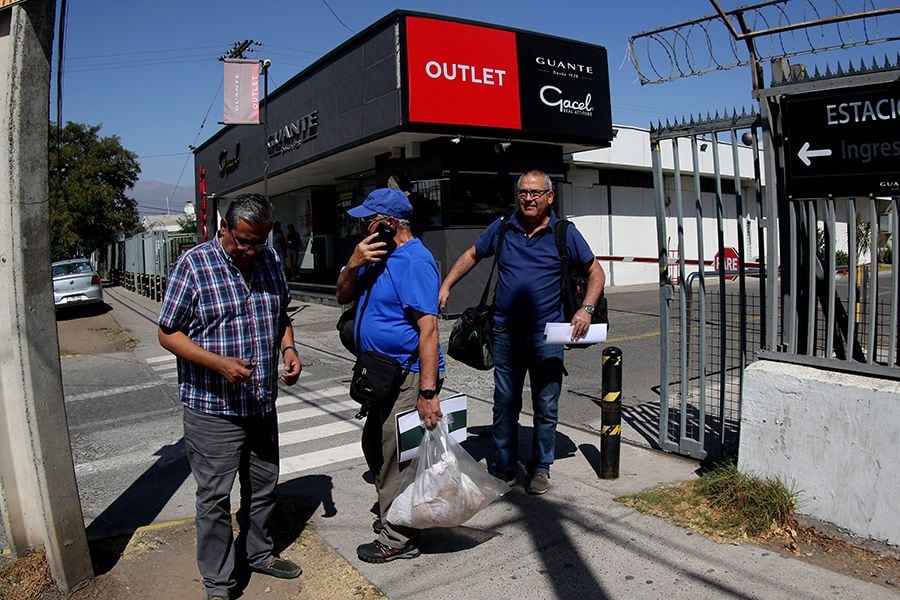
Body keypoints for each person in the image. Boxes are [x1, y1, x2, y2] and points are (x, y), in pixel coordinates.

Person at [157, 193, 303, 600]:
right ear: (224, 229)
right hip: (213, 409)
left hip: (260, 403)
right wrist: (217, 363)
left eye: (259, 241)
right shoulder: (193, 265)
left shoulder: (270, 260)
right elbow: (168, 332)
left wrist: (288, 349)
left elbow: (281, 315)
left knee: (262, 488)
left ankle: (259, 554)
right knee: (215, 499)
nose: (251, 250)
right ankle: (219, 582)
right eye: (243, 241)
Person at [439, 170, 605, 495]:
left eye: (535, 193)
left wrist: (585, 309)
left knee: (546, 404)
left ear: (549, 197)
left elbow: (595, 271)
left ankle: (540, 467)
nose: (528, 198)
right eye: (524, 193)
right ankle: (503, 466)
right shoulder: (503, 227)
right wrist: (446, 285)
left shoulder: (564, 233)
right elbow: (473, 254)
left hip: (548, 337)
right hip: (505, 334)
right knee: (505, 403)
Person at [335, 188, 444, 564]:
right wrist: (352, 264)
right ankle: (396, 513)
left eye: (369, 220)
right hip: (379, 372)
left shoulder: (413, 262)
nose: (362, 227)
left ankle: (398, 538)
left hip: (407, 374)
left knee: (395, 456)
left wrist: (427, 392)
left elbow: (428, 330)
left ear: (388, 224)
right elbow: (341, 296)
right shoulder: (373, 255)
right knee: (376, 448)